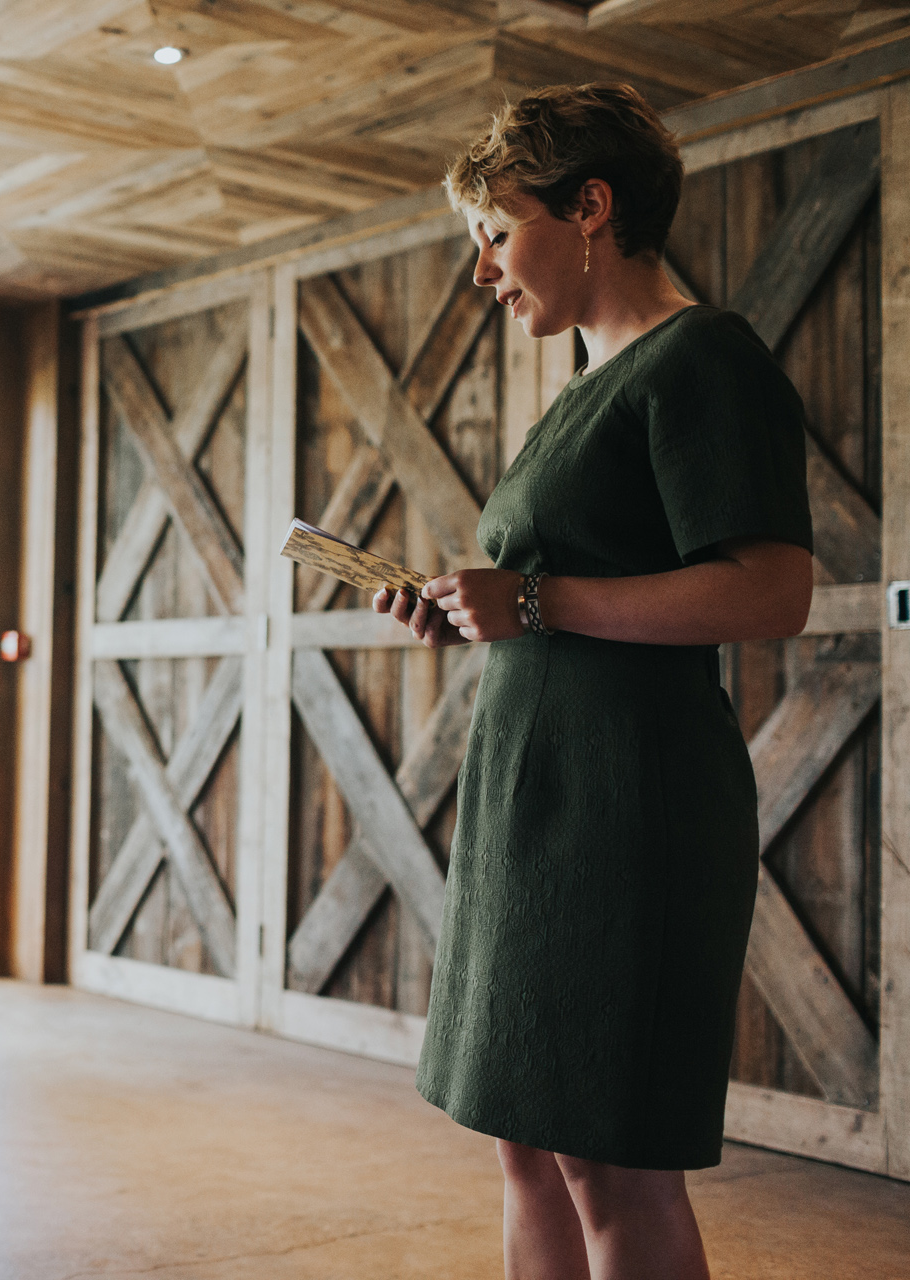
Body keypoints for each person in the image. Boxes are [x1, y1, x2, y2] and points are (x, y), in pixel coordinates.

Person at [373, 84, 815, 1279]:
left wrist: (540, 600)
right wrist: (474, 607)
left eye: (495, 231)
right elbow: (551, 598)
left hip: (632, 808)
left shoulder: (702, 358)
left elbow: (774, 591)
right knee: (526, 1143)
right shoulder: (578, 392)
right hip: (534, 805)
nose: (483, 271)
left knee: (612, 1161)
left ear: (590, 209)